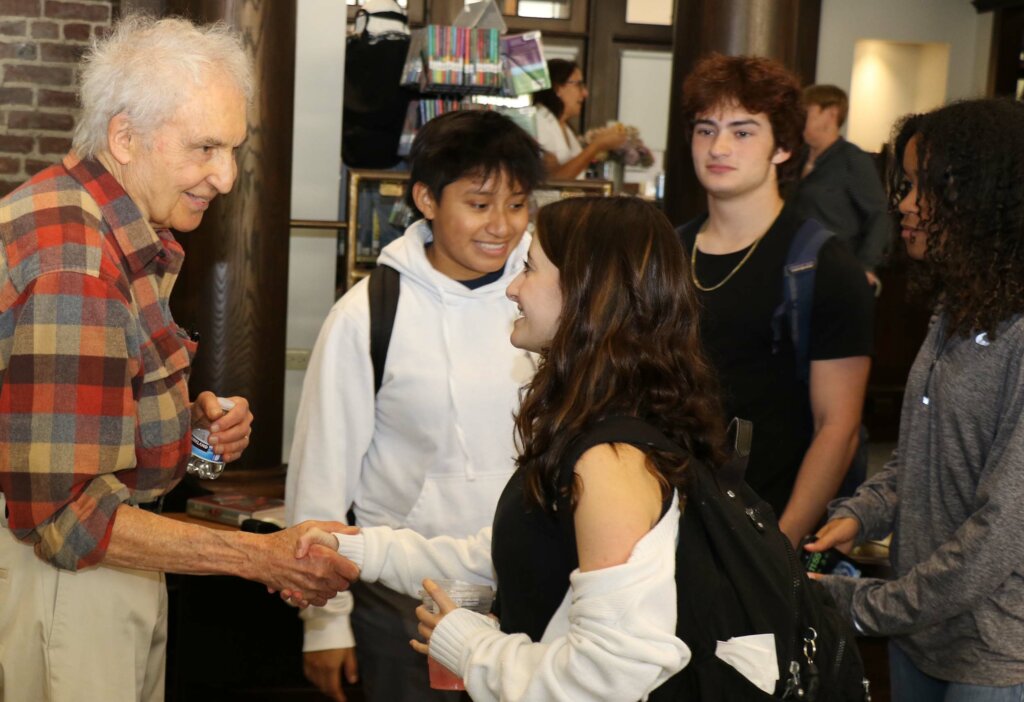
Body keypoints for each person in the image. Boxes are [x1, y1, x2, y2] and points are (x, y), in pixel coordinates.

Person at [0, 17, 357, 702]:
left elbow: (125, 470)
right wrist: (260, 557)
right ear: (125, 138)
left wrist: (196, 441)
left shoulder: (116, 229)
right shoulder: (76, 257)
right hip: (68, 588)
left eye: (232, 150)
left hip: (106, 572)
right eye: (204, 149)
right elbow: (64, 515)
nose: (224, 177)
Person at [286, 196, 732, 701]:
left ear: (587, 292)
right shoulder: (601, 426)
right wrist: (351, 548)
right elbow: (505, 551)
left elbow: (611, 672)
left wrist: (468, 643)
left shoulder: (610, 462)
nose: (514, 288)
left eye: (530, 268)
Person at [286, 109, 544, 702]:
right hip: (403, 593)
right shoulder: (370, 312)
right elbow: (323, 468)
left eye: (517, 204)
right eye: (479, 204)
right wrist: (323, 623)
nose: (501, 226)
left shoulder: (548, 298)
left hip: (528, 583)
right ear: (427, 198)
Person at [807, 98, 1024, 701]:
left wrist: (866, 606)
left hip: (995, 655)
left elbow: (1002, 529)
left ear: (987, 196)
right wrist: (862, 510)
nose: (902, 203)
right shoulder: (959, 306)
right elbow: (923, 456)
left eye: (926, 187)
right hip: (920, 633)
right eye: (906, 184)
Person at [676, 54, 874, 546]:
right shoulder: (666, 251)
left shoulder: (822, 266)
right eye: (706, 129)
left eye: (742, 132)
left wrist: (780, 548)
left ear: (782, 146)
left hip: (765, 522)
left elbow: (839, 427)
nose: (718, 147)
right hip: (666, 523)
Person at [791, 84, 892, 289]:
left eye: (807, 113)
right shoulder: (797, 158)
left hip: (833, 269)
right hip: (795, 264)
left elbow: (879, 215)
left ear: (831, 114)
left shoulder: (852, 160)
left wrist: (866, 266)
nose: (800, 120)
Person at [532, 59, 628, 180]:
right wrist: (596, 146)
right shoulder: (539, 120)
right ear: (558, 88)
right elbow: (554, 179)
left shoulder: (565, 127)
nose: (585, 93)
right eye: (578, 85)